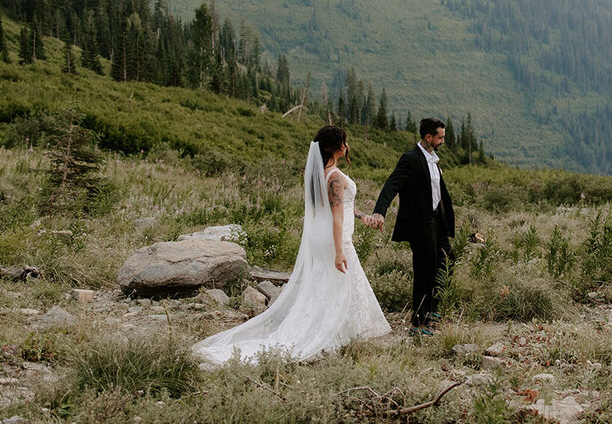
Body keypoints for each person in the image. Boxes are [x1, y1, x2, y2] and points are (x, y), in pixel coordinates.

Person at [192, 125, 390, 364]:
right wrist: (339, 251)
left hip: (322, 238)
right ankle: (334, 335)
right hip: (334, 239)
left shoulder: (322, 174)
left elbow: (341, 205)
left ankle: (337, 333)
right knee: (343, 284)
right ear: (336, 147)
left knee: (326, 286)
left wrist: (363, 217)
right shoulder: (335, 177)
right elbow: (337, 216)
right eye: (344, 142)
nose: (347, 146)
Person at [368, 118, 453, 334]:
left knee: (446, 260)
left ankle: (433, 307)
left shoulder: (434, 159)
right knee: (424, 270)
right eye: (440, 137)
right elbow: (392, 184)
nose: (443, 140)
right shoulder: (410, 159)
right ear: (429, 137)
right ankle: (418, 322)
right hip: (420, 224)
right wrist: (380, 211)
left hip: (437, 223)